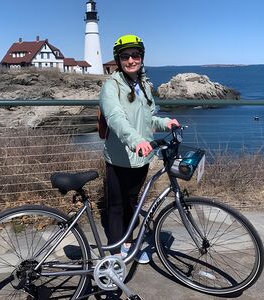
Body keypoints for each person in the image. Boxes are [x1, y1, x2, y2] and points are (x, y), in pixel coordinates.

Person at [99, 34, 179, 263]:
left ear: (142, 58)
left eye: (135, 55)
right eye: (125, 56)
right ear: (118, 59)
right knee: (116, 206)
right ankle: (115, 254)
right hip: (119, 156)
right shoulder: (111, 86)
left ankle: (129, 243)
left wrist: (166, 123)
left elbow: (149, 117)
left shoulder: (144, 85)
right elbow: (116, 118)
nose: (131, 60)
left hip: (142, 157)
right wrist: (135, 141)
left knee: (133, 203)